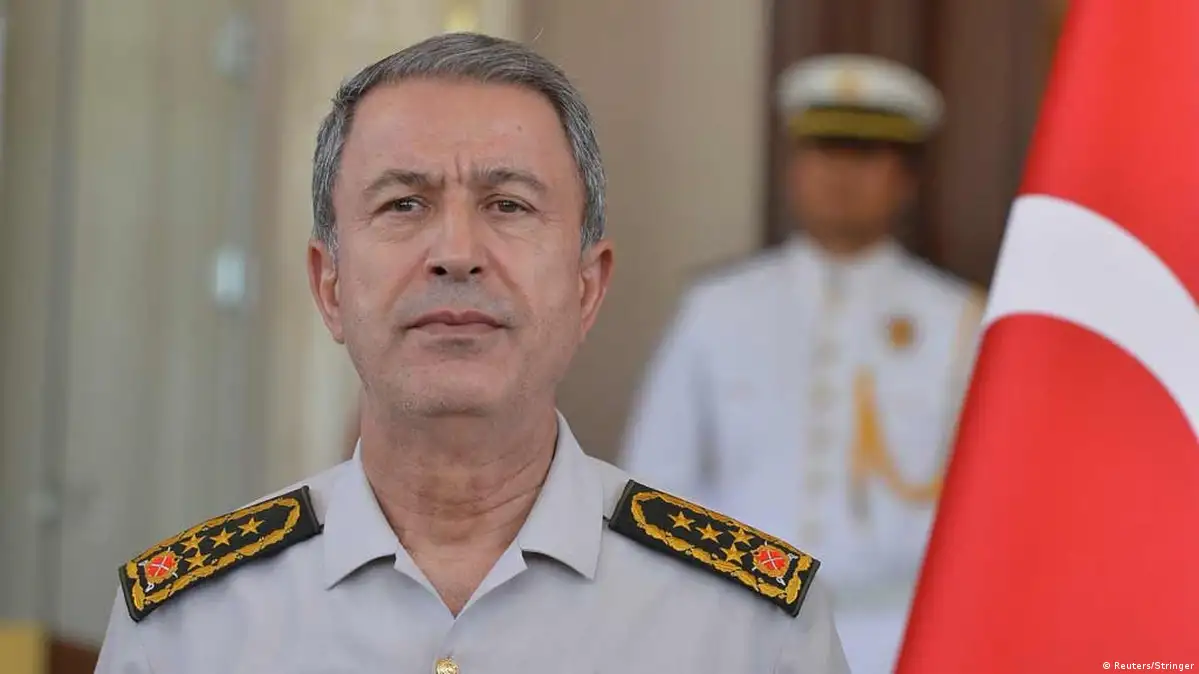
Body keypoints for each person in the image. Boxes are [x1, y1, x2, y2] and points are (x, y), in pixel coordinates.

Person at [94, 33, 849, 673]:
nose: (456, 253)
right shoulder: (187, 630)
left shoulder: (748, 631)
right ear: (329, 286)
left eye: (508, 205)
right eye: (403, 204)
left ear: (587, 287)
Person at [620, 54, 986, 674]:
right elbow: (655, 481)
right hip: (738, 628)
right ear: (794, 167)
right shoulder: (718, 308)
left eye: (865, 155)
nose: (841, 174)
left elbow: (987, 502)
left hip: (901, 633)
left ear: (905, 178)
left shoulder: (960, 322)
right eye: (824, 151)